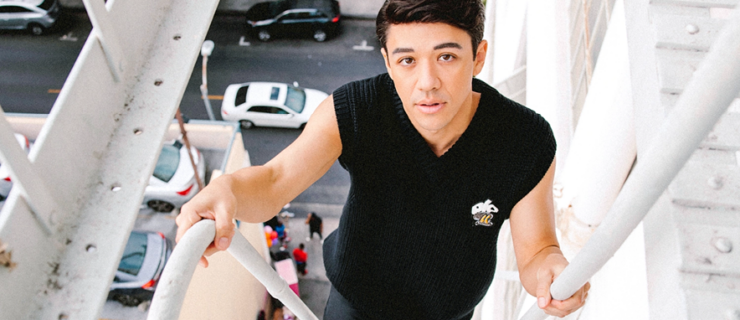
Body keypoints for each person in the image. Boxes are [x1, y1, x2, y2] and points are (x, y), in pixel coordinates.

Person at [176, 0, 590, 318]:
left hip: (448, 315)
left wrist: (553, 271)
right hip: (355, 306)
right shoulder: (356, 109)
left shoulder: (524, 140)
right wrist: (226, 188)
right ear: (388, 61)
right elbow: (273, 180)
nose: (426, 83)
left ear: (478, 56)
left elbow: (537, 252)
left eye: (446, 56)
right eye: (407, 60)